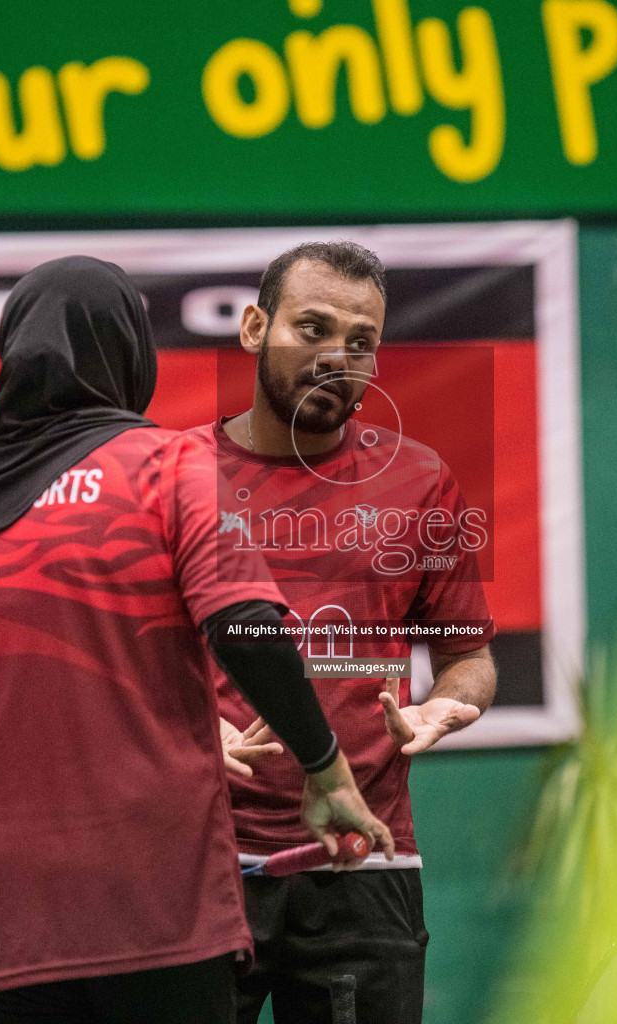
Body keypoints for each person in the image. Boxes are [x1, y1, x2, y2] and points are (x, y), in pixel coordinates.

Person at [0, 256, 393, 1023]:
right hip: (154, 908)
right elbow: (246, 628)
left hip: (11, 927)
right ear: (131, 351)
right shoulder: (168, 467)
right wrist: (326, 771)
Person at [187, 240, 498, 1023]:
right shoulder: (176, 476)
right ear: (255, 327)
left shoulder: (421, 480)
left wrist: (446, 705)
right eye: (313, 328)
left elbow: (470, 656)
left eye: (360, 342)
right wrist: (179, 728)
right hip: (201, 864)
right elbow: (121, 661)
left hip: (365, 862)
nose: (337, 357)